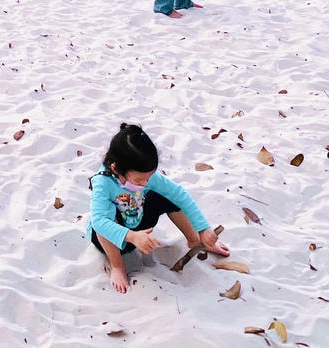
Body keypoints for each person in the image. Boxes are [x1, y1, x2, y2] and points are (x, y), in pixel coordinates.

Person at [87, 123, 229, 294]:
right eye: (140, 180)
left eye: (148, 178)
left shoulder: (145, 175)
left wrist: (203, 229)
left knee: (166, 196)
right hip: (114, 238)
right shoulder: (102, 183)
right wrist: (132, 236)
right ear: (116, 168)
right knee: (103, 222)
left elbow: (179, 194)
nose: (145, 183)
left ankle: (193, 239)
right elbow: (99, 221)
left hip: (138, 222)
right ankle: (117, 266)